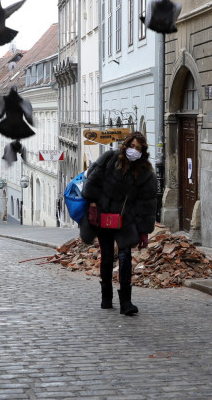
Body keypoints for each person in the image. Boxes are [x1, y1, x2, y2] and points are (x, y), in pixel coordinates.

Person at [79, 131, 159, 316]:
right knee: (107, 256)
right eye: (132, 146)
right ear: (125, 146)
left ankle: (126, 302)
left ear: (143, 151)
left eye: (138, 148)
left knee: (125, 258)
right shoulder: (110, 158)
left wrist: (144, 231)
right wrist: (92, 205)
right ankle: (106, 297)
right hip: (104, 214)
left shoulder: (145, 172)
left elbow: (147, 203)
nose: (134, 150)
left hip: (126, 219)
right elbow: (93, 179)